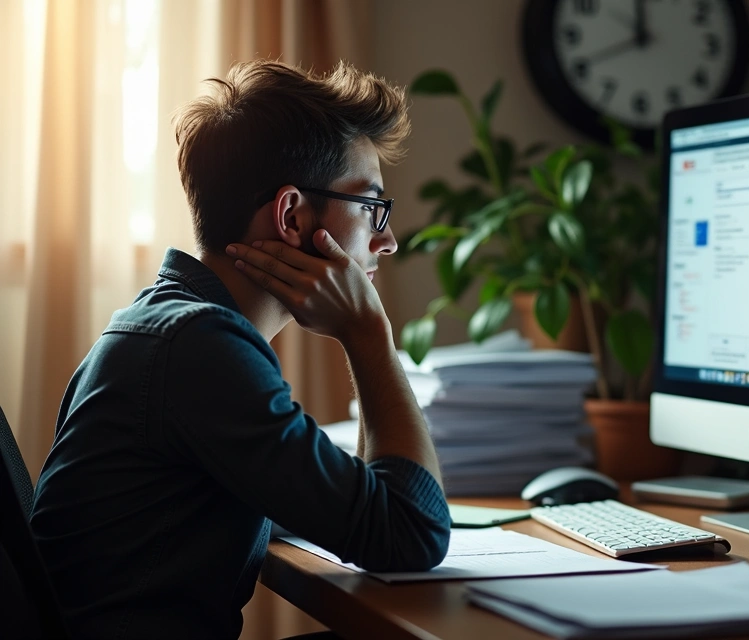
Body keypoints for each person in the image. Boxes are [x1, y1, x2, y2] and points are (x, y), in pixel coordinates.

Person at [30, 59, 449, 640]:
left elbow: (348, 503)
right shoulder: (199, 348)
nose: (388, 239)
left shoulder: (163, 323)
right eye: (370, 207)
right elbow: (412, 532)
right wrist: (370, 336)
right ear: (292, 215)